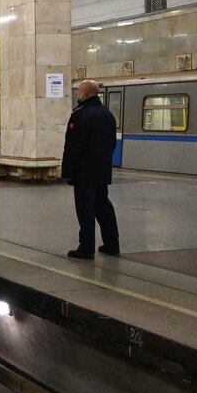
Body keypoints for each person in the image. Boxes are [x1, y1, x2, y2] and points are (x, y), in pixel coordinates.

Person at [60, 79, 120, 259]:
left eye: (79, 91)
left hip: (84, 173)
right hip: (102, 170)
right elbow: (112, 143)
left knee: (86, 210)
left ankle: (86, 247)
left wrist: (67, 172)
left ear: (85, 94)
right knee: (104, 207)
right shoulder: (108, 114)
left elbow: (73, 146)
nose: (78, 94)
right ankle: (112, 243)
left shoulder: (80, 115)